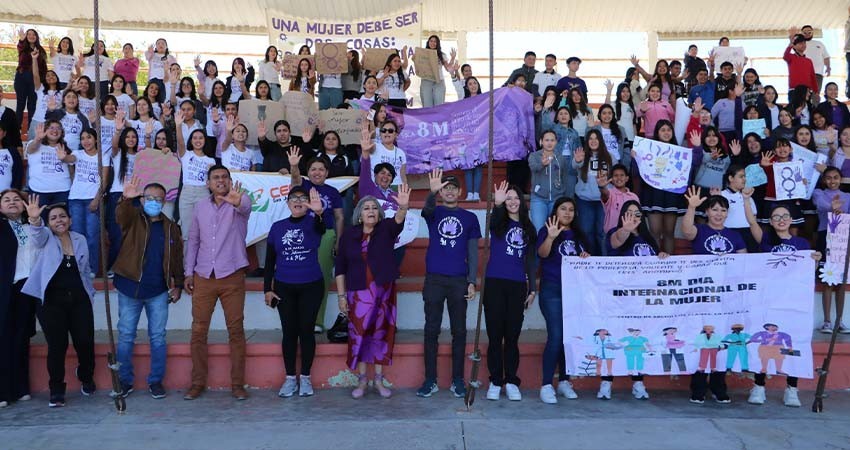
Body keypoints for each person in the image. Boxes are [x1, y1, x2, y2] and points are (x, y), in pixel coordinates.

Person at [111, 177, 184, 399]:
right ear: (142, 200)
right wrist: (126, 199)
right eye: (150, 198)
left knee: (158, 337)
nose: (154, 202)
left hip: (158, 291)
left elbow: (177, 259)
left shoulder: (171, 227)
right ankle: (124, 381)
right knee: (125, 336)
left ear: (164, 203)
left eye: (158, 199)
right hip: (129, 287)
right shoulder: (132, 218)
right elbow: (120, 216)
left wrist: (178, 284)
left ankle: (156, 381)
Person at [183, 165, 251, 401]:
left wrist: (236, 201)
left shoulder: (239, 202)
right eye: (216, 178)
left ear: (230, 181)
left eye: (224, 177)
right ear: (208, 184)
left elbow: (246, 207)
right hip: (203, 275)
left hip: (232, 275)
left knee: (236, 331)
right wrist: (188, 272)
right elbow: (193, 240)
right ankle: (197, 383)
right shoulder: (200, 206)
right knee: (198, 331)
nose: (220, 181)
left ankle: (237, 384)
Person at [335, 187, 410, 398]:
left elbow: (399, 220)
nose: (370, 211)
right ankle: (362, 380)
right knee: (359, 335)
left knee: (381, 334)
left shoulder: (386, 229)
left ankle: (378, 380)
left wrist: (403, 206)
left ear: (379, 213)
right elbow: (340, 268)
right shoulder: (349, 235)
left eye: (374, 208)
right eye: (366, 208)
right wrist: (342, 297)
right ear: (359, 213)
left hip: (384, 294)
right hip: (358, 294)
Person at [22, 204, 97, 408]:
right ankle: (56, 389)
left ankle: (86, 376)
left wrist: (90, 292)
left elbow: (85, 269)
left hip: (79, 298)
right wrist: (35, 220)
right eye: (53, 218)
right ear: (49, 223)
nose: (59, 220)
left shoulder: (80, 239)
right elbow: (36, 234)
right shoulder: (45, 238)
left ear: (70, 220)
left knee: (84, 340)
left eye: (63, 216)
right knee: (58, 345)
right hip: (51, 302)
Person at [417, 169, 481, 399]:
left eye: (453, 187)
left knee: (460, 331)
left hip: (458, 280)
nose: (450, 191)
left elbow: (473, 253)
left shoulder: (470, 218)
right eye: (446, 188)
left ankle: (457, 379)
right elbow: (425, 210)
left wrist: (472, 281)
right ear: (441, 191)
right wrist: (431, 193)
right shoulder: (435, 212)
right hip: (434, 278)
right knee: (431, 329)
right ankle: (430, 379)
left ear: (460, 191)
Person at [264, 185, 326, 398]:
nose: (298, 201)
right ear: (287, 203)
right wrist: (267, 289)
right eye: (294, 198)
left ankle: (306, 378)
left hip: (311, 285)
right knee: (289, 332)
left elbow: (322, 228)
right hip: (284, 286)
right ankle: (290, 378)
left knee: (306, 330)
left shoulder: (313, 223)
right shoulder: (277, 227)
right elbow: (270, 259)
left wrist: (318, 213)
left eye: (302, 197)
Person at [483, 181, 537, 401]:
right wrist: (496, 205)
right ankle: (495, 380)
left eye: (516, 198)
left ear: (521, 202)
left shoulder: (528, 227)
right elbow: (492, 224)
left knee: (512, 337)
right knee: (495, 336)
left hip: (517, 285)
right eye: (508, 199)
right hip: (495, 283)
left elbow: (531, 261)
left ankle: (511, 380)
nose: (513, 202)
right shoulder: (499, 222)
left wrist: (532, 288)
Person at [537, 197, 588, 404]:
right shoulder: (547, 230)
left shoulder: (579, 235)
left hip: (573, 292)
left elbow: (586, 264)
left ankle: (564, 381)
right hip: (552, 290)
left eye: (571, 210)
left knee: (568, 338)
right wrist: (550, 237)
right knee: (556, 336)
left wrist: (586, 257)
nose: (567, 213)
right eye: (563, 209)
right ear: (555, 211)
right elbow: (542, 253)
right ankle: (546, 384)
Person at [288, 150, 344, 332]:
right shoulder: (302, 185)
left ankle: (317, 321)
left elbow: (339, 218)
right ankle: (297, 319)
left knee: (321, 279)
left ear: (327, 173)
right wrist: (294, 165)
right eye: (313, 169)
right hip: (301, 234)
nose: (317, 172)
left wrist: (338, 242)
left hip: (325, 235)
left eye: (321, 169)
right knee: (299, 277)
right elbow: (295, 178)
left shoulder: (333, 192)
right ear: (308, 171)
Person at [0, 191, 46, 408]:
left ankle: (21, 388)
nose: (12, 203)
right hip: (6, 289)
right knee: (4, 339)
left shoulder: (34, 226)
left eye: (16, 199)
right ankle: (2, 391)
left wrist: (35, 219)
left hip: (29, 288)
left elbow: (42, 242)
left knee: (22, 338)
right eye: (6, 200)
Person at [58, 128, 109, 276]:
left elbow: (104, 181)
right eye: (83, 138)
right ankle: (78, 268)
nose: (86, 141)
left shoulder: (103, 156)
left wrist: (96, 200)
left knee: (92, 237)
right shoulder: (78, 154)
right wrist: (63, 158)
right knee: (77, 236)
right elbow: (70, 159)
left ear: (95, 139)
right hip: (76, 200)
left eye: (89, 137)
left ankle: (92, 268)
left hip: (93, 199)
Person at [812, 166, 850, 333]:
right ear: (824, 180)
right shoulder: (818, 193)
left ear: (840, 179)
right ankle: (827, 321)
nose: (832, 181)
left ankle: (839, 321)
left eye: (835, 177)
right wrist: (832, 207)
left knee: (840, 281)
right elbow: (821, 206)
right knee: (828, 280)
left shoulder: (848, 196)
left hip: (842, 239)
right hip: (825, 236)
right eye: (828, 178)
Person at [25, 121, 71, 214]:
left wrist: (65, 157)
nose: (55, 130)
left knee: (60, 222)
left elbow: (72, 170)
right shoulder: (34, 144)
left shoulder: (65, 148)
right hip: (39, 191)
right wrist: (37, 139)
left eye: (58, 128)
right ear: (45, 130)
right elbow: (31, 149)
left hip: (62, 191)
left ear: (62, 132)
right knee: (41, 222)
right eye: (51, 127)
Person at [528, 130, 570, 231]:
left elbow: (564, 177)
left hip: (557, 199)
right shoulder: (534, 156)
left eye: (552, 140)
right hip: (538, 199)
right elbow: (533, 168)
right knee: (539, 230)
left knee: (556, 231)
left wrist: (562, 192)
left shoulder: (560, 158)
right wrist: (542, 164)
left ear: (556, 142)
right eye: (547, 140)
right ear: (541, 142)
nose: (549, 143)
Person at [14, 28, 47, 129]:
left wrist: (44, 81)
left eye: (33, 34)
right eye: (29, 34)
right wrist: (22, 39)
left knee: (32, 105)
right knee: (20, 104)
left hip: (35, 80)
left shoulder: (41, 50)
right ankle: (16, 131)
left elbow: (44, 67)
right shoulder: (23, 47)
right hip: (21, 78)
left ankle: (31, 131)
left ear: (36, 37)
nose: (31, 36)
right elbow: (19, 46)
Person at [598, 164, 639, 233]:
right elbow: (604, 194)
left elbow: (638, 215)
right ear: (611, 179)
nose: (619, 178)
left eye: (622, 175)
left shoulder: (634, 196)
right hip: (612, 234)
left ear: (627, 178)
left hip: (630, 233)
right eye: (616, 175)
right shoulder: (610, 194)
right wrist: (602, 187)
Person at [419, 35, 456, 107]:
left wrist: (452, 58)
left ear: (437, 43)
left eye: (435, 41)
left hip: (439, 81)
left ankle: (438, 118)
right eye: (431, 41)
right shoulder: (423, 54)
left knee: (439, 105)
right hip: (426, 80)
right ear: (428, 42)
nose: (433, 43)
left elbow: (448, 68)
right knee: (427, 105)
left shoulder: (441, 54)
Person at [783, 30, 818, 98]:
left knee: (807, 108)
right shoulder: (791, 57)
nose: (803, 45)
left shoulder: (809, 61)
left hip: (807, 91)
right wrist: (790, 43)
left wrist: (816, 91)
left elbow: (812, 76)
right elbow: (785, 56)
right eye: (800, 43)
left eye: (804, 43)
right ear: (794, 46)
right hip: (794, 89)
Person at [800, 25, 830, 101]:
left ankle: (815, 112)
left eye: (809, 32)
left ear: (812, 33)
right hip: (803, 74)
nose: (807, 34)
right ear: (802, 33)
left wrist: (828, 67)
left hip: (818, 74)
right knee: (803, 95)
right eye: (805, 32)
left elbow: (826, 57)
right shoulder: (799, 45)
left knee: (815, 95)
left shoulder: (819, 43)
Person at [0, 123, 23, 191]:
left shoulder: (12, 152)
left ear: (4, 133)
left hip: (8, 196)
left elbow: (18, 173)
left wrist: (14, 191)